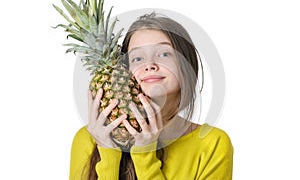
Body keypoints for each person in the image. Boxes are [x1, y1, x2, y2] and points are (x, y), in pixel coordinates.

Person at [69, 12, 233, 180]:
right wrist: (108, 152)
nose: (149, 65)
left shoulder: (212, 143)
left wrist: (144, 155)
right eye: (138, 58)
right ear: (124, 73)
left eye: (164, 54)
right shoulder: (88, 139)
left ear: (187, 64)